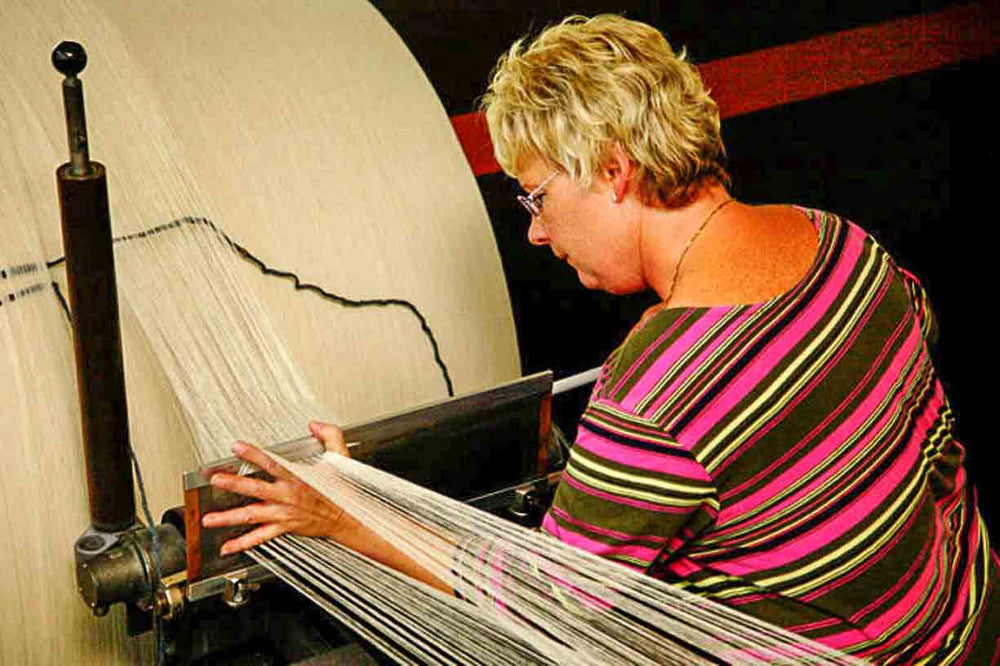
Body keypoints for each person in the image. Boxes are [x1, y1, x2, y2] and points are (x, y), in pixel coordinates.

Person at [205, 14, 1000, 663]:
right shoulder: (845, 245)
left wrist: (342, 516)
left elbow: (550, 601)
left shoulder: (657, 385)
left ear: (614, 171)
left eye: (537, 197)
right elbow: (934, 448)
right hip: (965, 627)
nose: (539, 234)